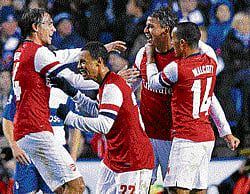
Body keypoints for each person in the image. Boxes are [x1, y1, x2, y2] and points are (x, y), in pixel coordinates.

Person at [12, 7, 127, 193]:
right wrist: (111, 80)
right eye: (49, 24)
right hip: (37, 130)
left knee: (61, 189)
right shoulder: (39, 53)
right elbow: (72, 80)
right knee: (78, 186)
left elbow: (64, 55)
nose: (53, 29)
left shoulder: (22, 51)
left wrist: (98, 50)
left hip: (27, 132)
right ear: (35, 27)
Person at [126, 6, 240, 188]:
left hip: (176, 138)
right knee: (140, 187)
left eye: (151, 27)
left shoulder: (190, 56)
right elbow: (127, 89)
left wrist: (224, 130)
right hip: (146, 135)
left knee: (180, 189)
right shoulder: (142, 53)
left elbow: (208, 96)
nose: (145, 31)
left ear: (166, 30)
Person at [51, 41, 155, 193]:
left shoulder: (112, 87)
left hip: (133, 160)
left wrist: (70, 118)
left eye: (83, 62)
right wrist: (74, 93)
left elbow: (104, 125)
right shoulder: (106, 84)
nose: (79, 66)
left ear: (99, 62)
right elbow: (98, 110)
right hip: (114, 158)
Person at [2, 87, 81, 193]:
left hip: (55, 155)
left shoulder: (66, 86)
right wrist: (14, 146)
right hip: (27, 154)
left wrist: (72, 157)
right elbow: (7, 119)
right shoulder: (21, 83)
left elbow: (75, 127)